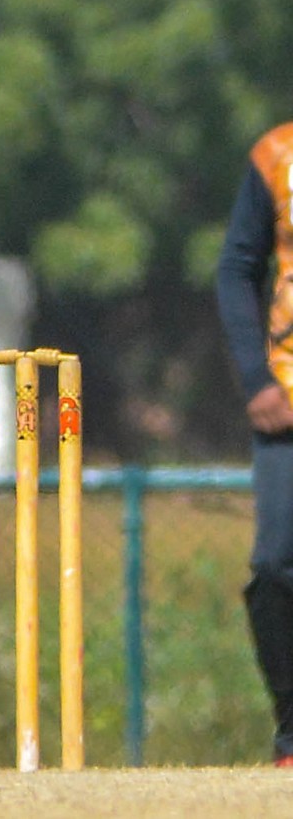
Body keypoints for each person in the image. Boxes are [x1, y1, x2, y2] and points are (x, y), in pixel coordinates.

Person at [216, 121, 293, 768]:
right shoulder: (277, 155)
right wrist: (256, 378)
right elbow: (238, 267)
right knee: (274, 567)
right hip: (288, 404)